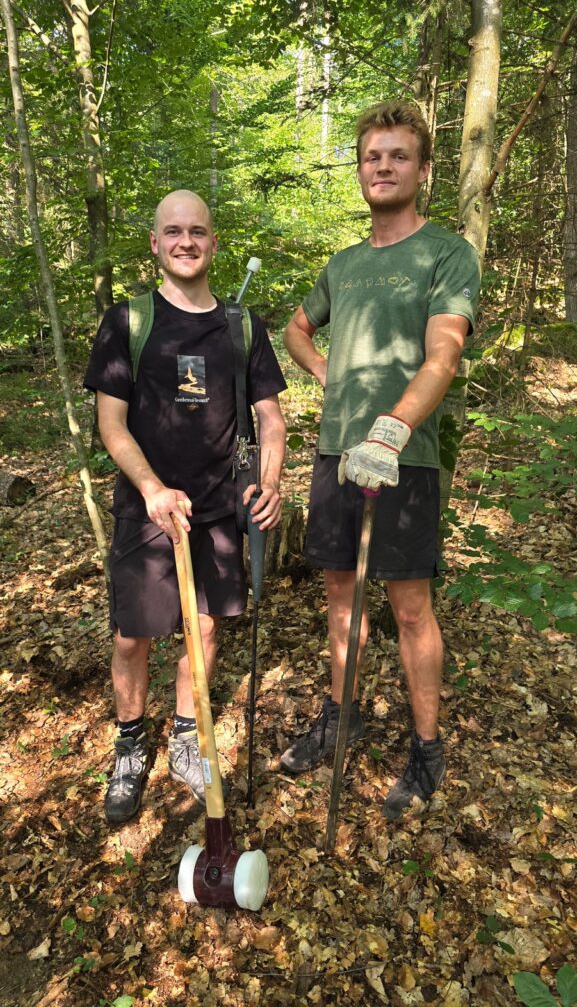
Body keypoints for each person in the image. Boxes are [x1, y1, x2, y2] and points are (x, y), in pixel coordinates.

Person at [281, 101, 480, 820]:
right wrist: (330, 377)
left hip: (405, 459)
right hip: (336, 453)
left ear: (422, 170)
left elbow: (443, 354)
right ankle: (342, 715)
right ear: (360, 168)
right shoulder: (343, 264)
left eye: (398, 156)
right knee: (339, 593)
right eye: (372, 156)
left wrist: (390, 429)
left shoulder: (445, 253)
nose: (383, 166)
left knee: (409, 604)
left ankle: (425, 749)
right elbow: (297, 329)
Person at [84, 189, 287, 825]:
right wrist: (150, 488)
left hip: (221, 511)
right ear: (155, 243)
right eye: (173, 231)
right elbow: (112, 426)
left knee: (202, 629)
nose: (186, 241)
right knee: (132, 637)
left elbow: (271, 416)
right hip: (148, 510)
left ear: (213, 242)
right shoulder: (129, 322)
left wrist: (271, 482)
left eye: (198, 231)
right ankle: (129, 743)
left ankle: (183, 738)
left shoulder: (241, 326)